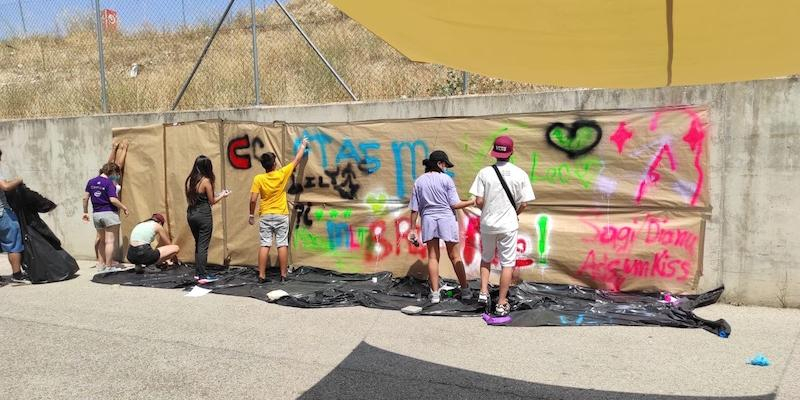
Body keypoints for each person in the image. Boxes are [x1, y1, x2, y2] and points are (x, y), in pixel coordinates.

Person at [469, 135, 535, 316]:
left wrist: (486, 210)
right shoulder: (520, 174)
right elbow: (524, 203)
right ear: (511, 152)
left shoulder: (484, 173)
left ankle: (483, 292)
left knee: (486, 258)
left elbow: (479, 200)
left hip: (488, 224)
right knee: (507, 263)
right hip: (508, 225)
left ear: (494, 152)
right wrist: (515, 213)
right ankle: (501, 302)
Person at [407, 150, 474, 304]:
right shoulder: (446, 180)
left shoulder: (419, 181)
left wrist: (412, 229)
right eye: (445, 165)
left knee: (432, 257)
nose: (446, 168)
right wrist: (472, 202)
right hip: (446, 219)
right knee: (455, 256)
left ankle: (435, 294)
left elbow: (414, 209)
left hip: (428, 219)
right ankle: (465, 290)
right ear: (439, 164)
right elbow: (455, 204)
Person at [249, 138, 309, 283]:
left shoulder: (258, 179)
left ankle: (261, 275)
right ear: (274, 164)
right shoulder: (282, 173)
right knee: (282, 244)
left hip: (266, 215)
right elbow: (297, 160)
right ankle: (283, 275)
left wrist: (251, 214)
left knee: (265, 244)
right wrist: (303, 145)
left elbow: (253, 199)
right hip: (281, 214)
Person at [185, 155, 230, 283]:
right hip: (203, 215)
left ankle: (198, 273)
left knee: (198, 244)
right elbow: (212, 201)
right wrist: (223, 195)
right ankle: (203, 276)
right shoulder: (206, 181)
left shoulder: (191, 180)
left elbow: (200, 196)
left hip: (191, 214)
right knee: (203, 246)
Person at [83, 162, 129, 273]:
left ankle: (101, 265)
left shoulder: (91, 181)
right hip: (109, 214)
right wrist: (124, 207)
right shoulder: (109, 183)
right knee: (110, 241)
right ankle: (109, 266)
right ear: (112, 172)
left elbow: (85, 198)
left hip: (96, 214)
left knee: (102, 241)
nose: (117, 176)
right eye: (116, 173)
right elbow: (113, 199)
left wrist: (85, 212)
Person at [0, 149, 29, 283]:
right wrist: (18, 180)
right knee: (13, 243)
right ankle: (17, 275)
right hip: (3, 214)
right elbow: (5, 186)